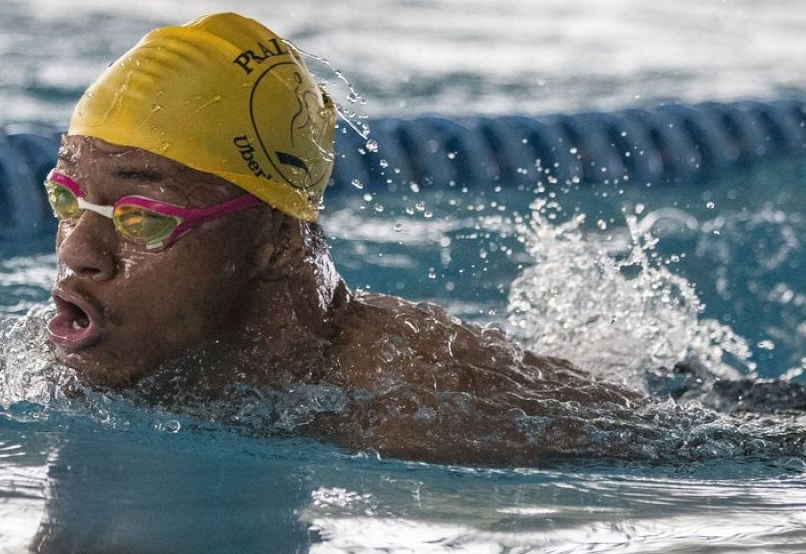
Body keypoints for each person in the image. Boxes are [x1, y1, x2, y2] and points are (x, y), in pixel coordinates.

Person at [42, 12, 659, 465]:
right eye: (66, 199)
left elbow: (721, 456)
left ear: (275, 243)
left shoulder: (410, 410)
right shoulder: (91, 355)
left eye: (142, 216)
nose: (77, 253)